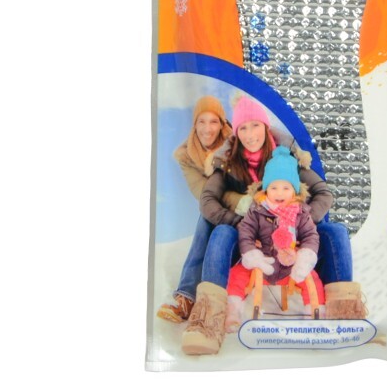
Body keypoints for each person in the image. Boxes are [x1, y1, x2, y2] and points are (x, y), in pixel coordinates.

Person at [181, 95, 362, 356]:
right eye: (243, 128)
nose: (249, 134)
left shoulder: (286, 159)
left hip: (293, 238)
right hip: (252, 241)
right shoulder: (230, 162)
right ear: (236, 132)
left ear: (266, 128)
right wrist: (239, 223)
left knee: (336, 231)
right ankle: (208, 321)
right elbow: (207, 199)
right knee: (220, 231)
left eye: (255, 125)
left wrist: (299, 220)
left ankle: (344, 315)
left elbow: (324, 193)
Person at [225, 146, 326, 332]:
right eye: (274, 187)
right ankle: (232, 311)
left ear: (294, 191)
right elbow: (246, 231)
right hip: (262, 262)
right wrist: (252, 254)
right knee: (236, 275)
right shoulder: (257, 210)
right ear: (266, 189)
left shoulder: (301, 213)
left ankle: (314, 313)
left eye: (286, 188)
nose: (279, 193)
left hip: (290, 264)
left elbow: (311, 235)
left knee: (312, 279)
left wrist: (304, 256)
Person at [155, 96, 232, 323]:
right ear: (194, 124)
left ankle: (189, 298)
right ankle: (188, 299)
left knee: (208, 218)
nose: (207, 129)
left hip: (244, 211)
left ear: (222, 124)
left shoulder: (235, 143)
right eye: (201, 121)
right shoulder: (186, 155)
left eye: (214, 121)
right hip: (217, 212)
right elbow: (204, 194)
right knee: (207, 216)